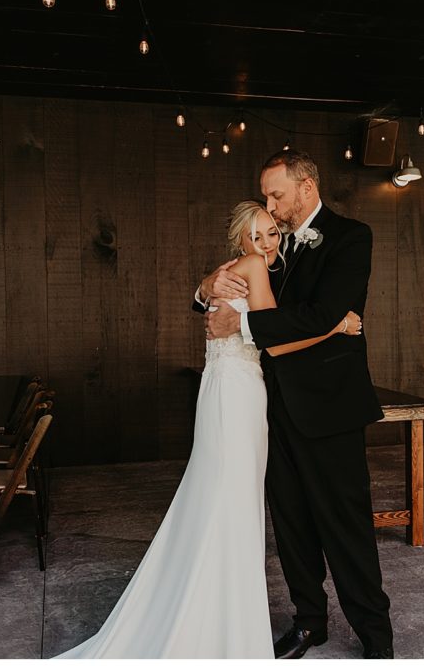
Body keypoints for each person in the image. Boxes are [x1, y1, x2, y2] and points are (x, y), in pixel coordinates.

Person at [54, 201, 361, 659]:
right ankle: (226, 622)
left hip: (223, 391)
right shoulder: (255, 266)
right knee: (233, 501)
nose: (266, 243)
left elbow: (252, 321)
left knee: (218, 497)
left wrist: (205, 289)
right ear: (240, 241)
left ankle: (211, 608)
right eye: (256, 235)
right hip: (239, 395)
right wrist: (337, 325)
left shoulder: (235, 270)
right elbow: (278, 343)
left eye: (272, 232)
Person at [200, 149, 394, 659]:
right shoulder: (269, 242)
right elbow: (224, 284)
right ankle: (310, 623)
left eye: (276, 194)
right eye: (266, 195)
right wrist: (205, 291)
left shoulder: (352, 237)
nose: (269, 203)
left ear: (307, 186)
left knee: (345, 526)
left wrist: (242, 324)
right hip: (271, 407)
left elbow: (322, 313)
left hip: (330, 408)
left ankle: (376, 636)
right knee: (290, 525)